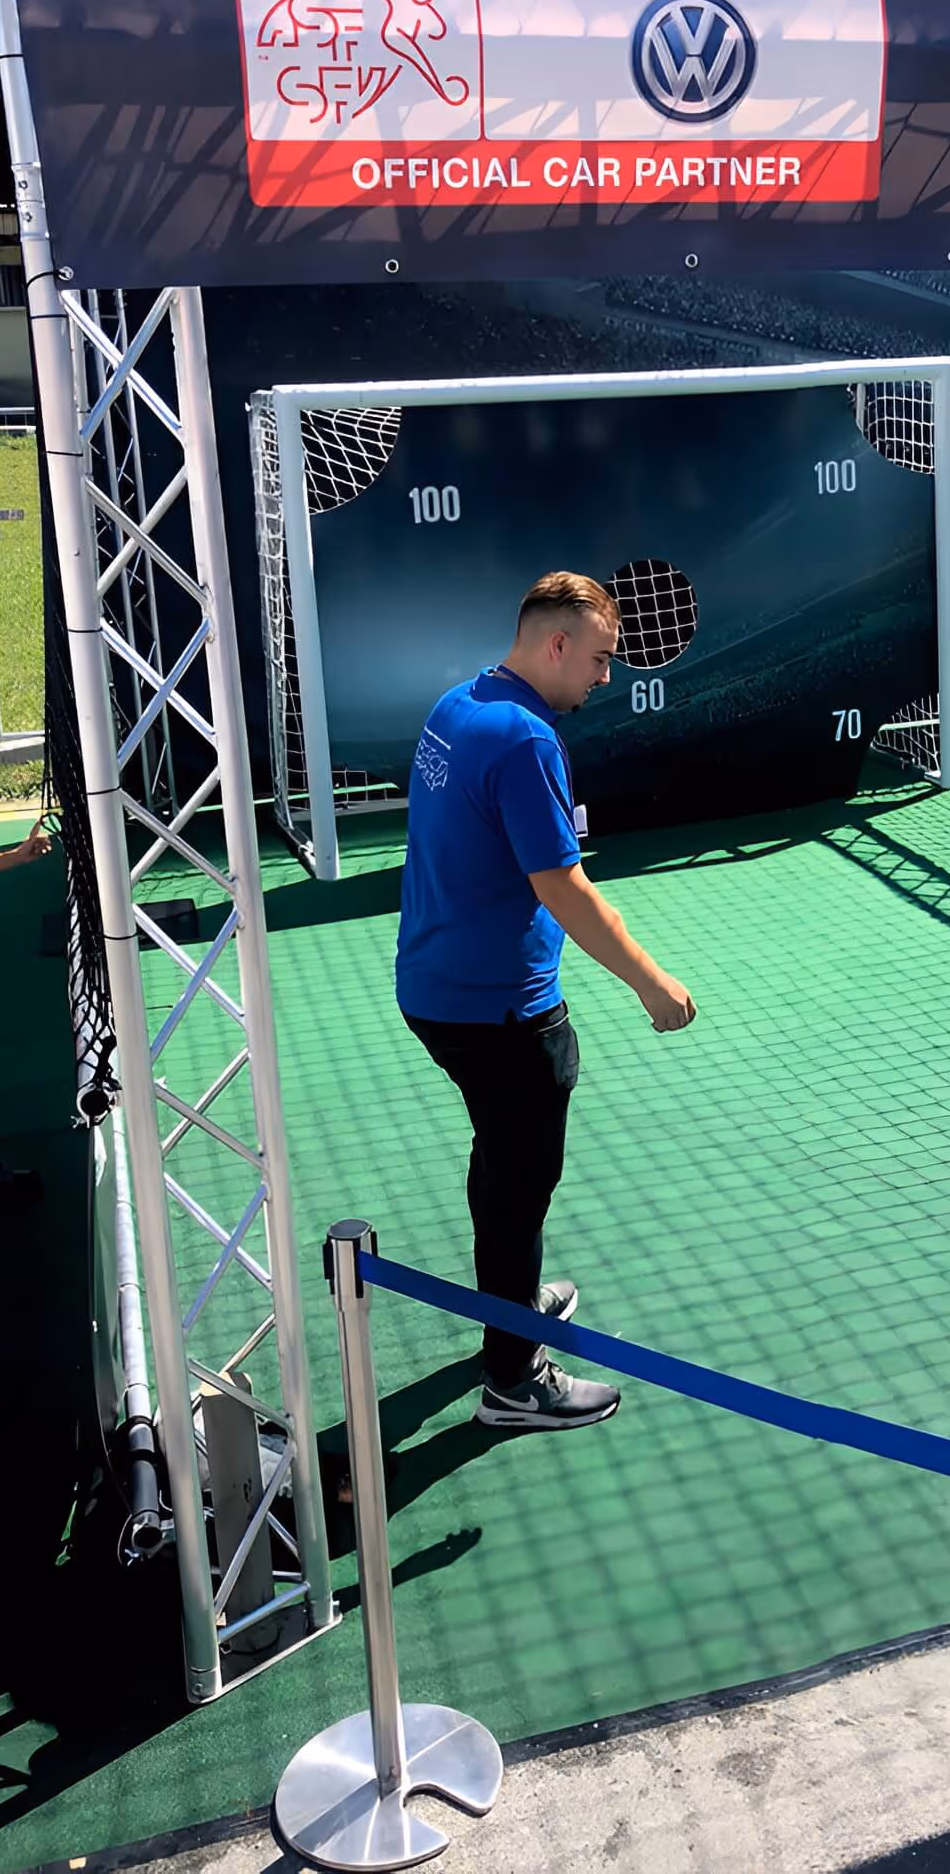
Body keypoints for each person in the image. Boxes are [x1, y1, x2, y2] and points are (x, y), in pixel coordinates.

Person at [397, 572, 697, 1433]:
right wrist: (650, 980)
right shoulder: (526, 738)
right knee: (521, 1182)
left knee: (502, 1165)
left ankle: (516, 1305)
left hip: (435, 989)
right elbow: (564, 888)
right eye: (599, 659)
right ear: (556, 643)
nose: (606, 677)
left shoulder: (460, 704)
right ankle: (514, 1380)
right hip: (501, 1013)